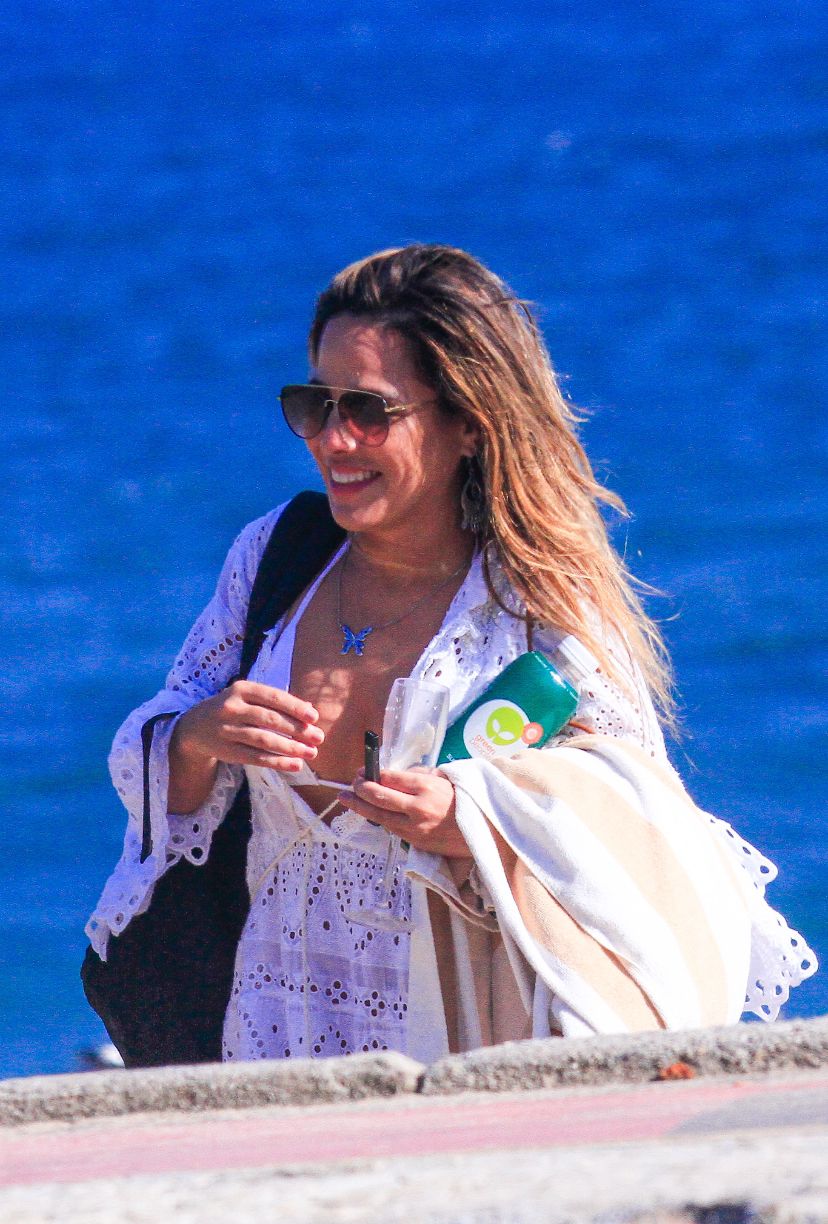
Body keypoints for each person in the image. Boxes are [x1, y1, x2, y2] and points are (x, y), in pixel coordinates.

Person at [87, 244, 815, 1063]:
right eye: (315, 404)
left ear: (468, 423)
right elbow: (162, 779)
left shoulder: (535, 600)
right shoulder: (275, 558)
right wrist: (197, 738)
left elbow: (638, 831)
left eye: (369, 410)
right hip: (270, 1016)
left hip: (465, 1034)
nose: (333, 439)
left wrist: (478, 821)